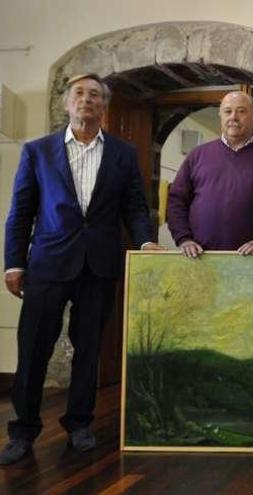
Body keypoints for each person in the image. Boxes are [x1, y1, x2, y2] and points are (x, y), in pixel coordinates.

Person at [2, 74, 160, 464]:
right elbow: (20, 212)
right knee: (34, 348)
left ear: (103, 106)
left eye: (94, 95)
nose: (86, 100)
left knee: (89, 350)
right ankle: (22, 431)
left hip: (99, 265)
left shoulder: (123, 154)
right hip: (47, 265)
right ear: (67, 104)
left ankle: (79, 424)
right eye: (79, 94)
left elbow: (135, 207)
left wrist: (145, 241)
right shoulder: (38, 151)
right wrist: (14, 263)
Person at [166, 91, 253, 257]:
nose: (233, 117)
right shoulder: (197, 156)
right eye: (227, 111)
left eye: (241, 111)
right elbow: (177, 201)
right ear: (221, 116)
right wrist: (184, 238)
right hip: (200, 259)